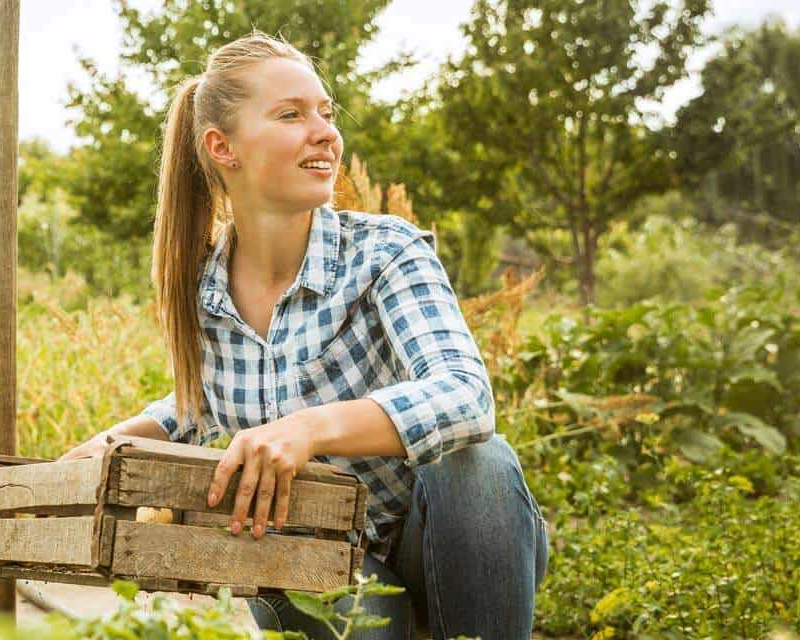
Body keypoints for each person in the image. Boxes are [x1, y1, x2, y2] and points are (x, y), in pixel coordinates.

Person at [57, 29, 548, 640]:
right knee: (355, 615)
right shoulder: (203, 290)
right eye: (291, 115)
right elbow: (206, 401)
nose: (324, 132)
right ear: (223, 147)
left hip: (439, 537)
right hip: (314, 556)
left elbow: (465, 395)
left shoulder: (386, 252)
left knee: (478, 463)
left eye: (325, 112)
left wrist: (308, 429)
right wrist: (116, 439)